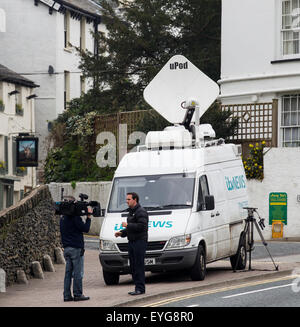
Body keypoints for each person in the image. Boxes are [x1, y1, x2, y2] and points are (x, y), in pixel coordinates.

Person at [115, 192, 149, 295]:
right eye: (126, 199)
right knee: (133, 266)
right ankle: (137, 287)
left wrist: (128, 225)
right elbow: (131, 228)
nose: (127, 201)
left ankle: (140, 288)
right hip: (132, 241)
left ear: (135, 200)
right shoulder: (131, 212)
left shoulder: (141, 212)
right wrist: (121, 233)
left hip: (139, 242)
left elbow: (142, 227)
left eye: (129, 199)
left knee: (139, 265)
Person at [59, 196, 92, 302]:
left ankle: (67, 295)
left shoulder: (62, 218)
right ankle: (78, 294)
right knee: (77, 272)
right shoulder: (75, 218)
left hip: (67, 248)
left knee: (68, 273)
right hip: (76, 248)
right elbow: (85, 229)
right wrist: (89, 217)